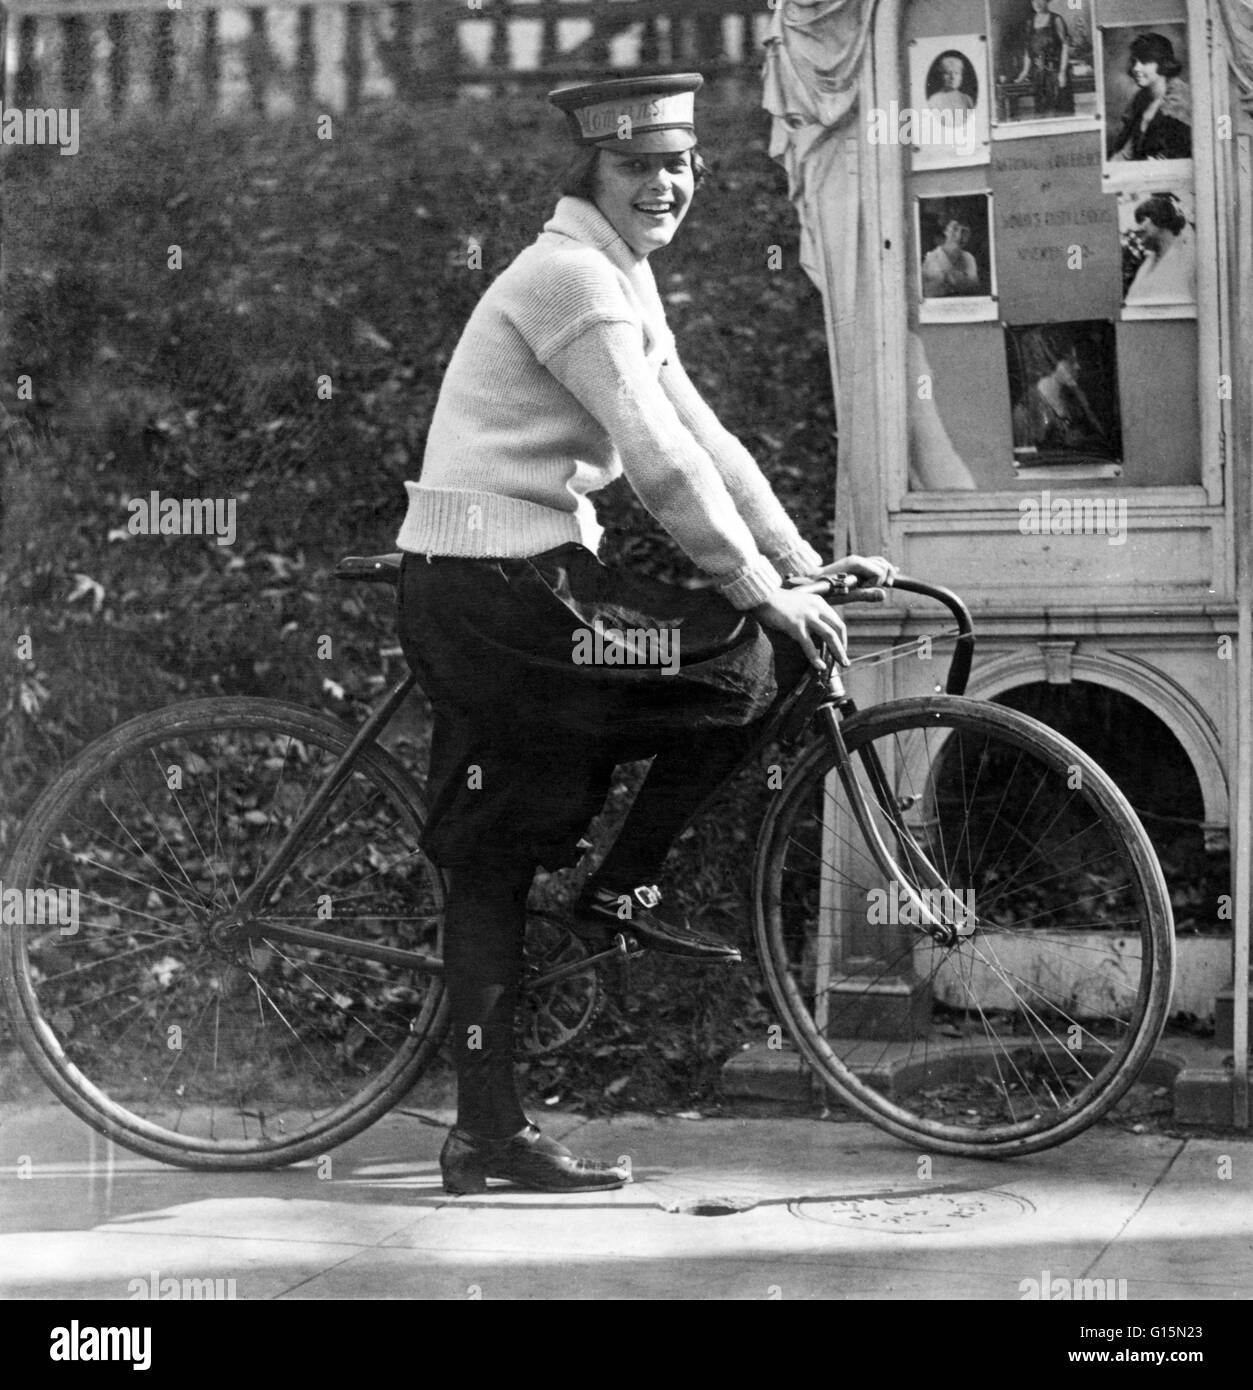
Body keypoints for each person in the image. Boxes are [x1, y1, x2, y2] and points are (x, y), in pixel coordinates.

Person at [394, 74, 896, 1195]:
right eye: (637, 167)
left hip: (513, 579)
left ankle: (487, 1134)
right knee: (746, 657)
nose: (664, 185)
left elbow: (702, 436)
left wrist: (795, 563)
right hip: (501, 589)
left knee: (490, 860)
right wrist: (761, 592)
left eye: (678, 166)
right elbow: (655, 460)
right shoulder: (570, 275)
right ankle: (621, 889)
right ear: (591, 175)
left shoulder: (618, 273)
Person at [1011, 328, 1115, 457]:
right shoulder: (1025, 411)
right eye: (1071, 361)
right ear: (1051, 363)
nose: (1078, 366)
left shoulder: (1075, 399)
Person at [1107, 33, 1192, 162]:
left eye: (1144, 61)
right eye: (1134, 61)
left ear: (1162, 62)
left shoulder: (1181, 100)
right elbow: (1126, 153)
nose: (1136, 68)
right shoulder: (1140, 100)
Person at [1124, 194, 1196, 305]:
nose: (1139, 228)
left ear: (1159, 218)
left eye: (1142, 221)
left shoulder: (1187, 257)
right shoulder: (1148, 263)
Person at [1014, 0, 1074, 117]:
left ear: (1047, 2)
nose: (1037, 4)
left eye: (1040, 0)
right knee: (1041, 110)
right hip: (1039, 75)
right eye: (1034, 1)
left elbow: (1065, 46)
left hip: (1055, 72)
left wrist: (1062, 72)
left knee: (1060, 111)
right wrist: (1024, 72)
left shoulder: (1056, 19)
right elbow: (1028, 50)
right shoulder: (1030, 22)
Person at [921, 218, 979, 297]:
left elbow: (973, 287)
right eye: (955, 229)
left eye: (964, 231)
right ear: (946, 231)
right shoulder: (931, 259)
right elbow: (933, 292)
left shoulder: (969, 258)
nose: (959, 235)